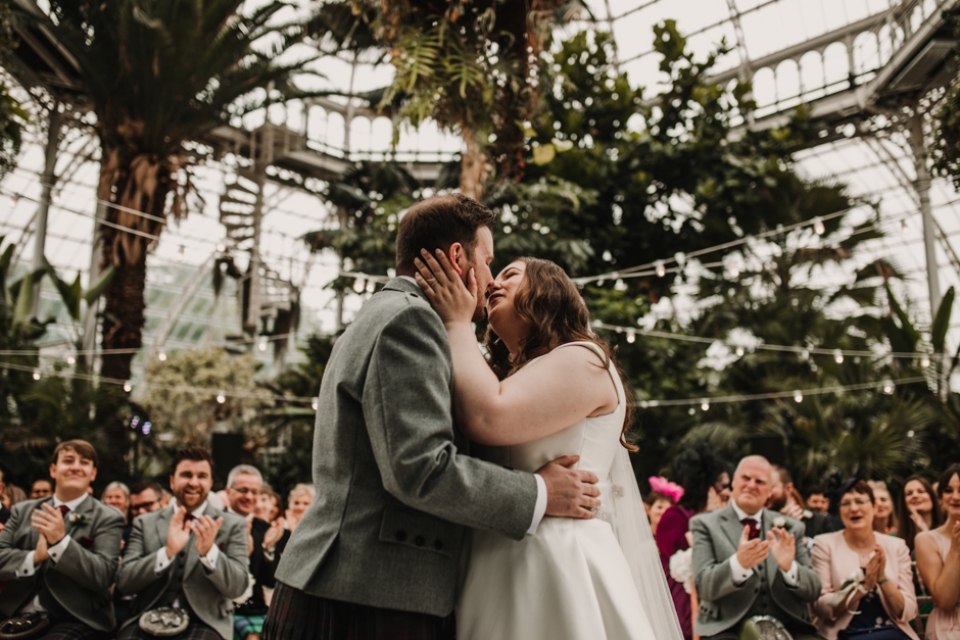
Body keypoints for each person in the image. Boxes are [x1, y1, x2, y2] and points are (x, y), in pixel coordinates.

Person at [263, 195, 606, 640]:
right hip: (368, 594)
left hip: (360, 586)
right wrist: (540, 491)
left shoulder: (386, 314)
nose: (488, 280)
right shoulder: (411, 322)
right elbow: (421, 469)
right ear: (458, 258)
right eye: (487, 262)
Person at [414, 250, 682, 639]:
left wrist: (457, 323)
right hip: (488, 563)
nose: (493, 283)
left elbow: (490, 417)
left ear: (548, 290)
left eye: (511, 274)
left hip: (557, 563)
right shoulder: (502, 374)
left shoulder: (584, 359)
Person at [116, 446, 249, 640]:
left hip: (205, 623)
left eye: (202, 476)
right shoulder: (145, 523)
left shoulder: (233, 525)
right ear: (172, 481)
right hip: (146, 620)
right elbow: (125, 583)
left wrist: (209, 553)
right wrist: (167, 553)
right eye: (186, 475)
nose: (193, 482)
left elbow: (237, 587)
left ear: (211, 482)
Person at [0, 440, 125, 639]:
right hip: (13, 614)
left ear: (93, 473)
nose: (76, 467)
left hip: (76, 617)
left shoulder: (108, 517)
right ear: (53, 469)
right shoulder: (22, 511)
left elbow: (104, 575)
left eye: (84, 462)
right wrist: (34, 557)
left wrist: (61, 544)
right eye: (68, 460)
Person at [691, 455, 822, 639]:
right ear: (734, 481)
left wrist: (789, 568)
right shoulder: (705, 524)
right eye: (746, 478)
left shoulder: (790, 527)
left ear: (769, 491)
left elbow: (814, 590)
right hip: (728, 629)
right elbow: (703, 587)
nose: (752, 485)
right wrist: (738, 564)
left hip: (788, 629)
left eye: (760, 481)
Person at [811, 479, 919, 639]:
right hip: (847, 633)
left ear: (874, 507)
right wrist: (862, 588)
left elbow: (909, 610)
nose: (854, 509)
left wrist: (882, 580)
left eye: (860, 501)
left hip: (892, 633)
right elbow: (822, 607)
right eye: (846, 503)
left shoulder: (896, 546)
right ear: (839, 511)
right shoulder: (824, 544)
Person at [655, 445, 730, 639]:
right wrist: (710, 518)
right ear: (708, 488)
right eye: (724, 487)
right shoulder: (675, 516)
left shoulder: (726, 516)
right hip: (684, 604)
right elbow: (678, 553)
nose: (728, 492)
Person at [224, 465, 286, 640]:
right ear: (228, 491)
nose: (249, 497)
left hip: (256, 610)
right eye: (243, 490)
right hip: (221, 609)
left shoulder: (265, 529)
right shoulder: (213, 524)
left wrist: (268, 548)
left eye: (254, 492)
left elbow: (270, 582)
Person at [915, 464, 960, 639]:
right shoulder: (926, 540)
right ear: (940, 497)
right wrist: (955, 550)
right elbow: (945, 600)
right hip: (949, 626)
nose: (955, 497)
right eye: (948, 490)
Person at [897, 475, 942, 553]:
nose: (915, 495)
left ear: (932, 497)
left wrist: (925, 531)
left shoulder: (947, 532)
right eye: (909, 493)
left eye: (921, 491)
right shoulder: (896, 539)